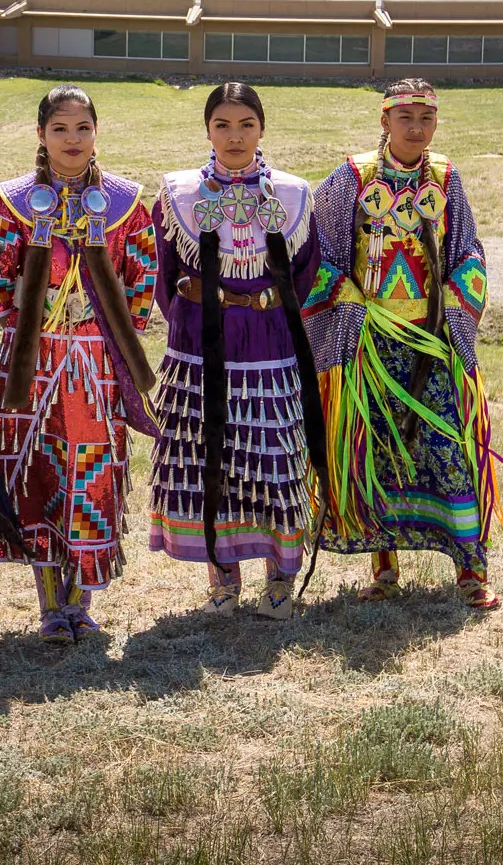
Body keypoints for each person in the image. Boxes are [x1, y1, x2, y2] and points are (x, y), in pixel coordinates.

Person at [305, 77, 503, 610]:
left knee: (450, 448)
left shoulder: (446, 178)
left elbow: (469, 253)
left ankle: (471, 566)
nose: (416, 128)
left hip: (431, 340)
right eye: (406, 118)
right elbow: (318, 257)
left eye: (426, 118)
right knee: (377, 449)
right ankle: (384, 565)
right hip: (371, 345)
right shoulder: (352, 178)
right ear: (385, 121)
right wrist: (352, 308)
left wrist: (451, 304)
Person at [0, 85, 158, 643]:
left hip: (95, 359)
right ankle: (50, 605)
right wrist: (28, 319)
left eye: (82, 128)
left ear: (97, 132)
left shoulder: (126, 204)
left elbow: (142, 280)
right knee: (37, 471)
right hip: (31, 359)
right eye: (60, 129)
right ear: (40, 136)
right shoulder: (13, 203)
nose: (72, 139)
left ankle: (81, 603)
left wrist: (97, 326)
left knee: (90, 472)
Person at [148, 82, 328, 619]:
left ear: (262, 129)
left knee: (273, 458)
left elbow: (308, 269)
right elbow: (165, 273)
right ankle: (222, 581)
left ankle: (280, 580)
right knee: (211, 456)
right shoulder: (180, 195)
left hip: (271, 343)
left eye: (245, 124)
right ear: (207, 129)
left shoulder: (292, 194)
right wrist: (196, 301)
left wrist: (267, 300)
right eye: (222, 125)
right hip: (204, 344)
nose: (234, 136)